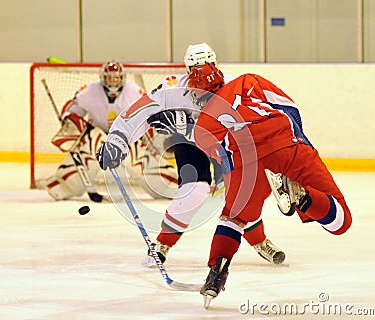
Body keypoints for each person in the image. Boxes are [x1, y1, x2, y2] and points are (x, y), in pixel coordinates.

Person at [96, 43, 286, 267]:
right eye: (194, 68)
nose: (201, 74)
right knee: (194, 191)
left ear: (215, 64)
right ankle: (163, 244)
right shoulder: (171, 87)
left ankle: (259, 240)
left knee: (240, 192)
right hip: (190, 144)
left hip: (224, 142)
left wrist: (186, 124)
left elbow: (248, 127)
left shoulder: (235, 85)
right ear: (186, 69)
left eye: (206, 66)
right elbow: (139, 113)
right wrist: (117, 140)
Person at [187, 63, 353, 308]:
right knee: (341, 222)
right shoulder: (247, 81)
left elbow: (224, 158)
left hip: (247, 164)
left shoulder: (202, 127)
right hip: (286, 145)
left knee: (232, 219)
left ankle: (216, 273)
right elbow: (289, 107)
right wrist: (299, 141)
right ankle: (304, 197)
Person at [36, 60, 145, 201]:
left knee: (147, 165)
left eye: (116, 78)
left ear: (122, 78)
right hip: (96, 138)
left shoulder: (134, 92)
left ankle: (167, 184)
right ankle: (64, 185)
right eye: (109, 78)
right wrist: (69, 121)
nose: (113, 82)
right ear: (103, 78)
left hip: (127, 139)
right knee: (93, 144)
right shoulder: (89, 91)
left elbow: (148, 115)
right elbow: (72, 110)